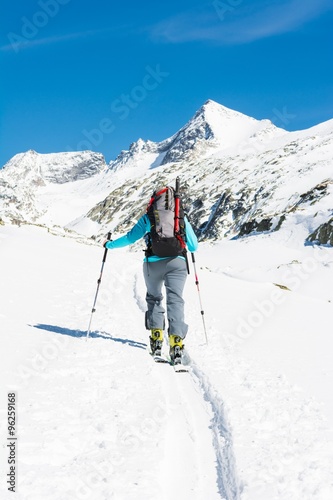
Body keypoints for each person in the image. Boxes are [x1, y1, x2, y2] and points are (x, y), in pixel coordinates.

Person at [103, 186, 198, 364]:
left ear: (155, 200)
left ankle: (156, 338)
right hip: (177, 263)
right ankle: (176, 342)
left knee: (154, 298)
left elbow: (130, 238)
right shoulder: (180, 217)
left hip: (152, 263)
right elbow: (193, 247)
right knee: (175, 299)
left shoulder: (150, 216)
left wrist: (109, 245)